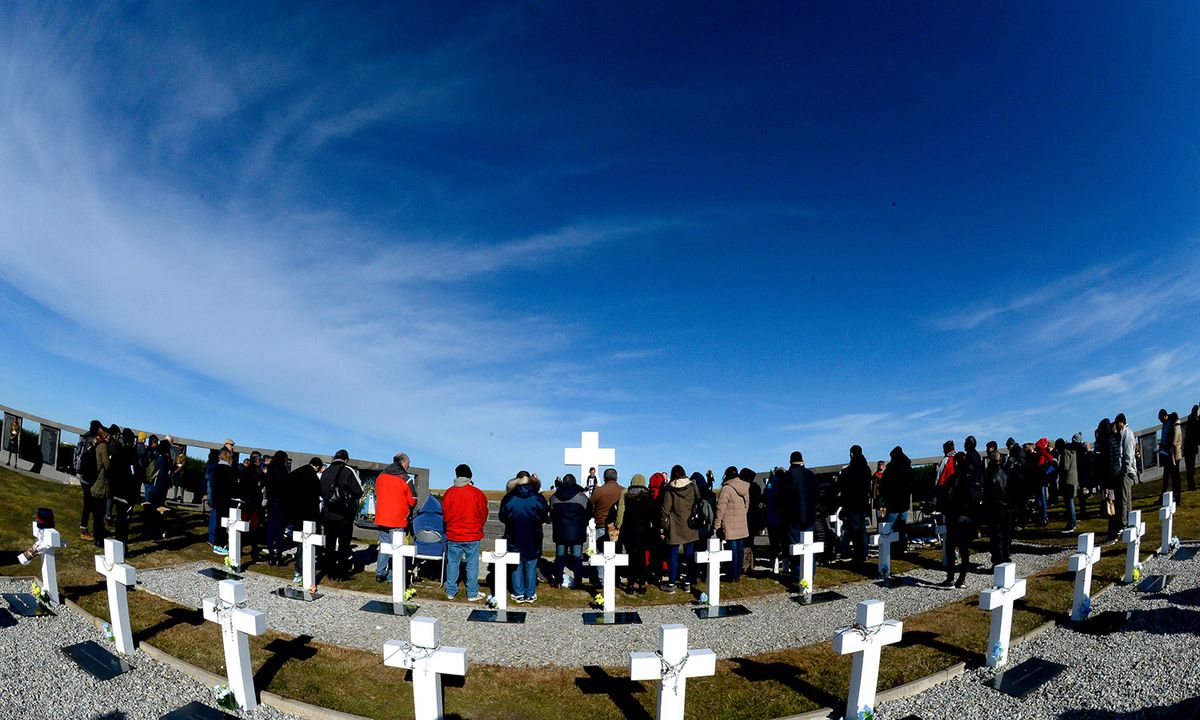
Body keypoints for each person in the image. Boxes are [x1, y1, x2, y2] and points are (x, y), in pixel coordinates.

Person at [498, 471, 549, 603]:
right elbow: (545, 516)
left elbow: (502, 517)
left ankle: (518, 592)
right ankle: (530, 593)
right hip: (534, 536)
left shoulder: (508, 498)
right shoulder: (538, 498)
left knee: (516, 564)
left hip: (514, 535)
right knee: (531, 564)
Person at [442, 463, 487, 601]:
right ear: (470, 475)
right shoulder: (477, 493)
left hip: (454, 534)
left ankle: (450, 591)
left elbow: (445, 515)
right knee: (472, 564)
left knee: (453, 563)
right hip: (472, 534)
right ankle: (472, 593)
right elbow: (483, 513)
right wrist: (478, 525)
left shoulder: (449, 493)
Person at [319, 449, 363, 580]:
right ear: (346, 460)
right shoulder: (348, 471)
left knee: (330, 544)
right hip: (344, 515)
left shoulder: (325, 472)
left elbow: (321, 490)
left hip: (328, 513)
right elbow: (359, 491)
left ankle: (330, 572)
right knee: (344, 544)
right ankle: (342, 573)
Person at [941, 451, 982, 587]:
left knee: (951, 547)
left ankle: (950, 577)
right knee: (964, 549)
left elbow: (947, 498)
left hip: (954, 517)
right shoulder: (974, 480)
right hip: (969, 517)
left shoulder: (953, 479)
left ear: (957, 463)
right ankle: (962, 578)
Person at [374, 452, 417, 583]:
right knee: (396, 549)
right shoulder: (406, 478)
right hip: (398, 518)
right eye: (408, 464)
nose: (408, 466)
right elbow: (413, 498)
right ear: (403, 463)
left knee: (384, 545)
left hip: (382, 517)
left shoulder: (381, 476)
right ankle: (393, 576)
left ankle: (380, 573)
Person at [659, 465, 700, 593]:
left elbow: (665, 510)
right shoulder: (692, 486)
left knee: (673, 556)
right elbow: (697, 501)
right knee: (689, 555)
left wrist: (663, 527)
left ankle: (671, 583)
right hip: (690, 524)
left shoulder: (669, 489)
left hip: (674, 525)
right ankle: (688, 582)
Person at [615, 473, 657, 593]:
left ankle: (630, 584)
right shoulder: (648, 497)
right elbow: (653, 516)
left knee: (631, 559)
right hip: (643, 531)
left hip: (629, 531)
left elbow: (621, 512)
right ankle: (642, 584)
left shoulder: (627, 496)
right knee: (642, 558)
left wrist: (619, 525)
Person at [549, 472, 591, 588]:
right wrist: (583, 522)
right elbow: (589, 513)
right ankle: (578, 581)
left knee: (560, 557)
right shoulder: (582, 497)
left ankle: (558, 581)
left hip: (560, 532)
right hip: (577, 532)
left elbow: (551, 515)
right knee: (577, 558)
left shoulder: (554, 497)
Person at [286, 457, 324, 582]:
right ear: (318, 467)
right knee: (305, 544)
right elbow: (319, 494)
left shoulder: (296, 472)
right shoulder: (313, 477)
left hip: (295, 513)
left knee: (300, 542)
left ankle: (298, 570)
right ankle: (301, 569)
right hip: (308, 515)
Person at [714, 467, 752, 581]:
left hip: (730, 522)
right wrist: (742, 515)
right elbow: (747, 503)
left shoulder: (726, 488)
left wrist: (717, 524)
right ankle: (738, 574)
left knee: (733, 550)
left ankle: (732, 575)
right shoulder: (745, 486)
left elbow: (721, 508)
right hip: (741, 522)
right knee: (740, 548)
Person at [836, 447, 872, 563]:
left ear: (851, 454)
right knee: (862, 529)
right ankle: (864, 552)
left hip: (852, 503)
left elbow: (842, 487)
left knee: (855, 530)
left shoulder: (849, 471)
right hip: (863, 502)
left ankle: (858, 554)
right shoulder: (866, 469)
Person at [877, 446, 912, 558]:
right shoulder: (908, 467)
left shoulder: (891, 469)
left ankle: (890, 550)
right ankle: (902, 548)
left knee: (889, 528)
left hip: (893, 503)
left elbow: (883, 485)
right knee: (902, 528)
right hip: (904, 503)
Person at [983, 441, 1011, 566]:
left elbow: (988, 494)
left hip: (995, 508)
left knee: (996, 536)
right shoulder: (1007, 473)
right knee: (1006, 534)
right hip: (1007, 507)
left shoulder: (991, 476)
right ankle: (1006, 557)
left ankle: (998, 561)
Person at [110, 428, 140, 544]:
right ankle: (123, 546)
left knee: (119, 519)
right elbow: (134, 474)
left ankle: (117, 543)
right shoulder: (132, 453)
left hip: (117, 492)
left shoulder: (119, 451)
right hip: (127, 494)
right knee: (125, 521)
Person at [1095, 419, 1122, 543]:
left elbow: (1106, 463)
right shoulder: (1113, 440)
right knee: (1116, 504)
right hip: (1116, 475)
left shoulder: (1105, 442)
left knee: (1110, 505)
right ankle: (1116, 530)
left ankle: (1112, 534)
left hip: (1109, 478)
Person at [75, 421, 102, 542]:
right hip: (89, 477)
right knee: (88, 505)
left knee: (88, 504)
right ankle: (83, 530)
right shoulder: (93, 439)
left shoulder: (85, 436)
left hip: (83, 476)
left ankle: (85, 528)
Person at [264, 450, 291, 566]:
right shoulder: (284, 472)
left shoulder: (270, 470)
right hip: (281, 505)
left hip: (271, 503)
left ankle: (271, 556)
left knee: (271, 530)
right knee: (280, 532)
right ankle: (279, 557)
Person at [238, 451, 265, 564]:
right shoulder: (257, 472)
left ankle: (238, 549)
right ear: (257, 460)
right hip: (254, 504)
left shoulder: (244, 470)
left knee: (242, 526)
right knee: (254, 529)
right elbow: (261, 485)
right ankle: (254, 554)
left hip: (245, 502)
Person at [89, 425, 112, 547]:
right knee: (99, 515)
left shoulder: (97, 445)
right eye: (107, 435)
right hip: (100, 485)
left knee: (96, 515)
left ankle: (96, 537)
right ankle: (98, 538)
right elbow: (107, 465)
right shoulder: (103, 446)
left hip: (96, 486)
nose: (109, 438)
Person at [591, 467, 624, 548]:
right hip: (617, 528)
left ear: (604, 478)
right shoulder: (623, 491)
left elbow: (591, 508)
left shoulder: (598, 491)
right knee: (617, 556)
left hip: (601, 525)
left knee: (602, 557)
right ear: (616, 478)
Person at [1115, 413, 1138, 524]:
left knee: (1125, 498)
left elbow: (1128, 453)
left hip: (1127, 470)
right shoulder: (1124, 433)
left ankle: (1125, 521)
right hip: (1126, 469)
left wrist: (1126, 469)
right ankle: (1129, 519)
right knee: (1126, 497)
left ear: (1121, 422)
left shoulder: (1127, 434)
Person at [1160, 410, 1183, 501]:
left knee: (1175, 477)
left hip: (1174, 455)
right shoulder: (1174, 426)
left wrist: (1168, 447)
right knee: (1173, 477)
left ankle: (1177, 497)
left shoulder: (1176, 427)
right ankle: (1174, 496)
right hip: (1172, 454)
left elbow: (1174, 443)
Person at [1057, 438, 1078, 532]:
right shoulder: (1072, 451)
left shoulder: (1065, 452)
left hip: (1067, 481)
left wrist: (1057, 469)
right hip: (1073, 479)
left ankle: (1071, 524)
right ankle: (1073, 522)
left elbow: (1065, 467)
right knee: (1071, 502)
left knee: (1069, 503)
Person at [1186, 405, 1200, 493]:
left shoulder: (1191, 420)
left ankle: (1191, 484)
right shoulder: (1194, 421)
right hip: (1191, 447)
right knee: (1191, 467)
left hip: (1189, 447)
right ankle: (1191, 484)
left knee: (1190, 468)